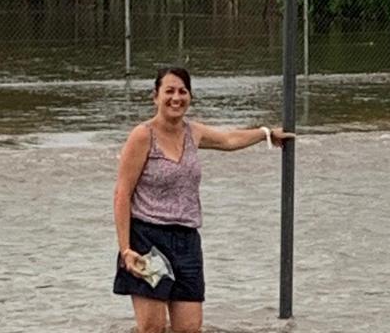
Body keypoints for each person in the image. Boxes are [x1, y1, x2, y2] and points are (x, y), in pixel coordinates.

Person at [113, 67, 294, 333]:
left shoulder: (193, 132)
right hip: (148, 241)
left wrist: (266, 133)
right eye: (169, 91)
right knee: (152, 328)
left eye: (182, 91)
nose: (176, 98)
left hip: (187, 242)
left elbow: (229, 140)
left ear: (190, 96)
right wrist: (126, 249)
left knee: (190, 329)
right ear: (155, 96)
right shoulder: (142, 136)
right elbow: (122, 194)